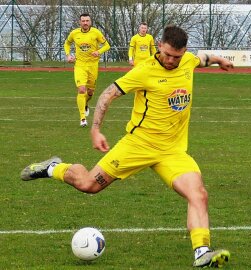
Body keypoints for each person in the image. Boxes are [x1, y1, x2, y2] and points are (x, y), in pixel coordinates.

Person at [21, 25, 233, 268]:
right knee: (89, 185)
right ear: (158, 46)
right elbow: (108, 94)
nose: (173, 60)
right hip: (138, 145)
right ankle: (53, 168)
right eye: (168, 54)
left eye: (178, 56)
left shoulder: (187, 60)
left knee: (199, 194)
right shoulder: (144, 71)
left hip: (173, 151)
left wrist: (220, 60)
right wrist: (95, 129)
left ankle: (202, 253)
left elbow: (203, 58)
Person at [64, 13, 111, 127]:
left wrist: (98, 52)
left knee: (90, 92)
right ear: (80, 22)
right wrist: (68, 55)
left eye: (87, 21)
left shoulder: (96, 32)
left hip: (93, 66)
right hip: (79, 65)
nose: (85, 23)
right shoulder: (74, 33)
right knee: (81, 90)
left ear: (90, 22)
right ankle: (82, 118)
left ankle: (85, 104)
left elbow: (107, 46)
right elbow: (67, 43)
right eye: (83, 21)